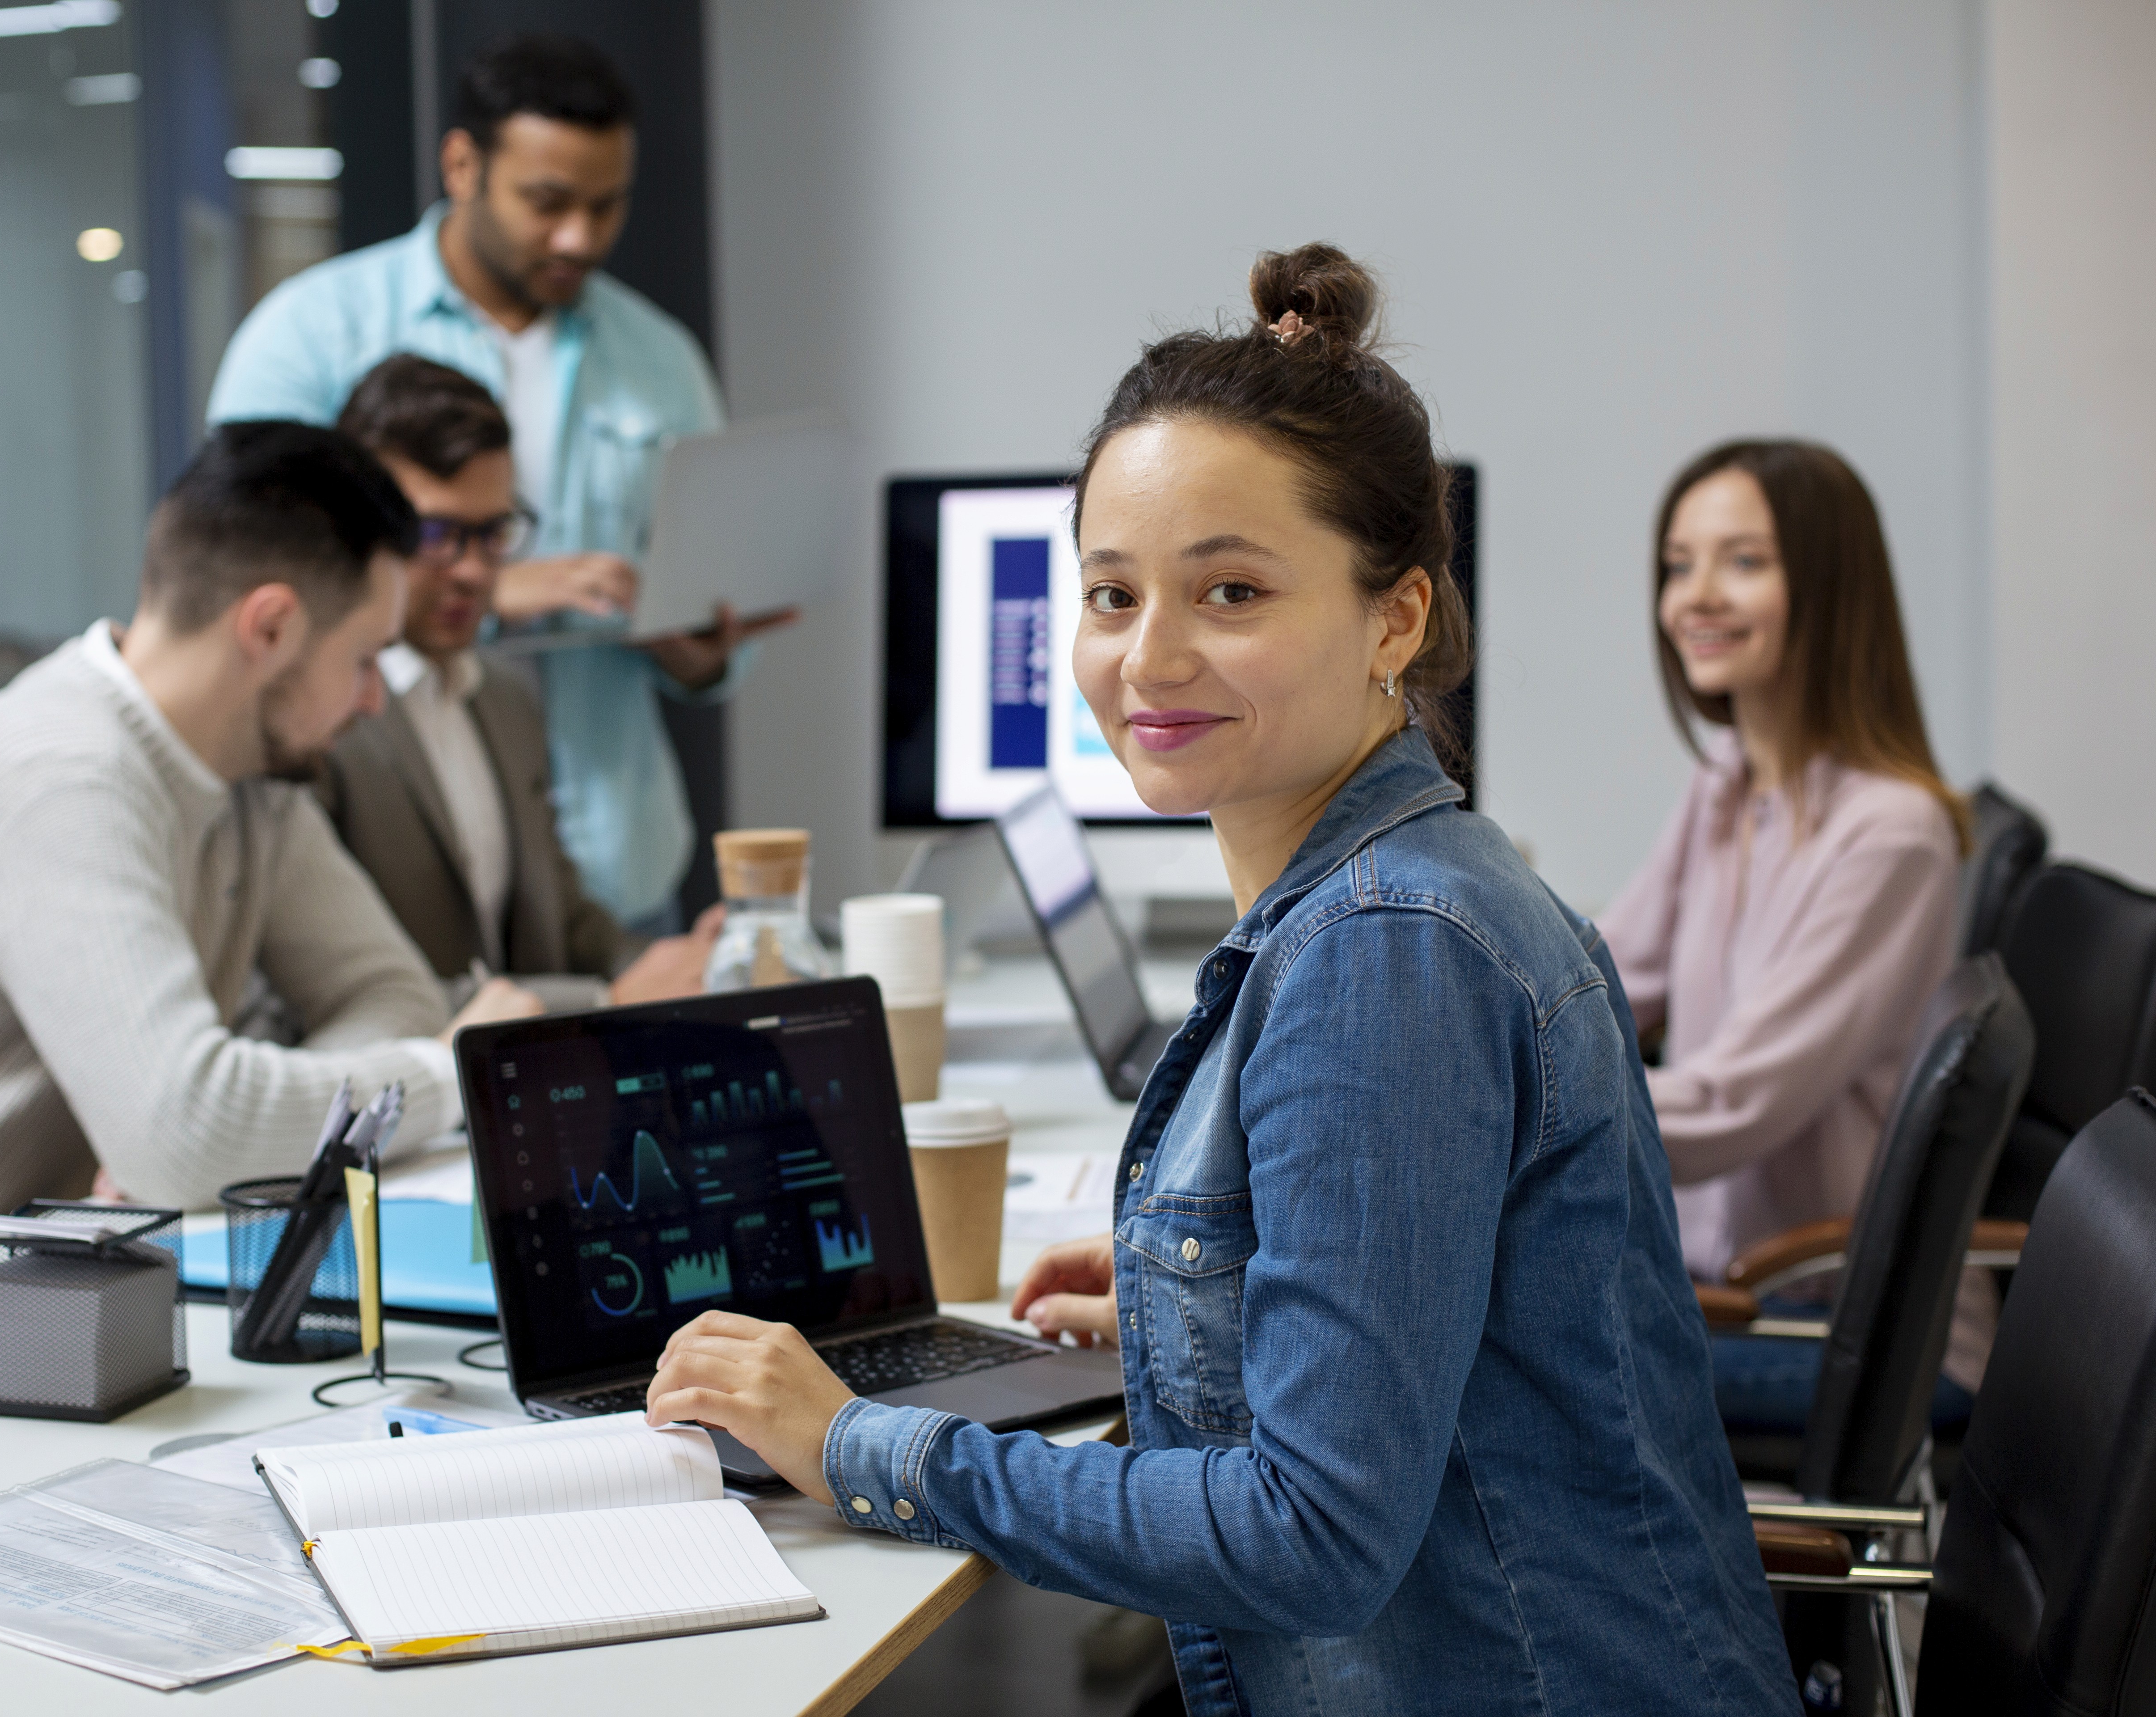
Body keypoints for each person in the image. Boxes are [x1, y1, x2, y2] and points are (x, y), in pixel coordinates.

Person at [638, 248, 1793, 1714]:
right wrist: (1227, 1310)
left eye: (1230, 591)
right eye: (1110, 596)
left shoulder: (1387, 952)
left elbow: (1314, 1538)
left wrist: (854, 1440)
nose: (1149, 658)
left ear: (1398, 619)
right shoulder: (1406, 888)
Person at [0, 424, 537, 1334]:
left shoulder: (250, 775)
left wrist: (260, 1117)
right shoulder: (58, 779)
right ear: (272, 627)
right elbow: (187, 1133)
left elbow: (387, 994)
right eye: (365, 658)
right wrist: (444, 1074)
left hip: (17, 1312)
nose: (375, 698)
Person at [206, 34, 790, 932]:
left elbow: (704, 625)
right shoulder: (311, 335)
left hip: (614, 869)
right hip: (389, 875)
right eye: (547, 202)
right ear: (462, 164)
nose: (578, 237)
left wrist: (700, 648)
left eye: (606, 207)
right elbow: (250, 584)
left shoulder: (660, 360)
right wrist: (490, 588)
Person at [1599, 440, 1973, 1428]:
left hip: (1825, 1324)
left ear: (1831, 586)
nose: (1696, 597)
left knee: (1486, 1374)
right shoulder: (1731, 780)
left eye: (1744, 561)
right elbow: (1600, 981)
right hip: (1729, 1277)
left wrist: (1504, 1120)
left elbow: (1736, 1105)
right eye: (1679, 564)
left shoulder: (1890, 835)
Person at [322, 354, 720, 1010]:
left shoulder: (505, 695)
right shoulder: (323, 721)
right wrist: (601, 1000)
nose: (474, 571)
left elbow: (562, 918)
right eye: (437, 535)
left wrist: (678, 965)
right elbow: (337, 997)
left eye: (493, 533)